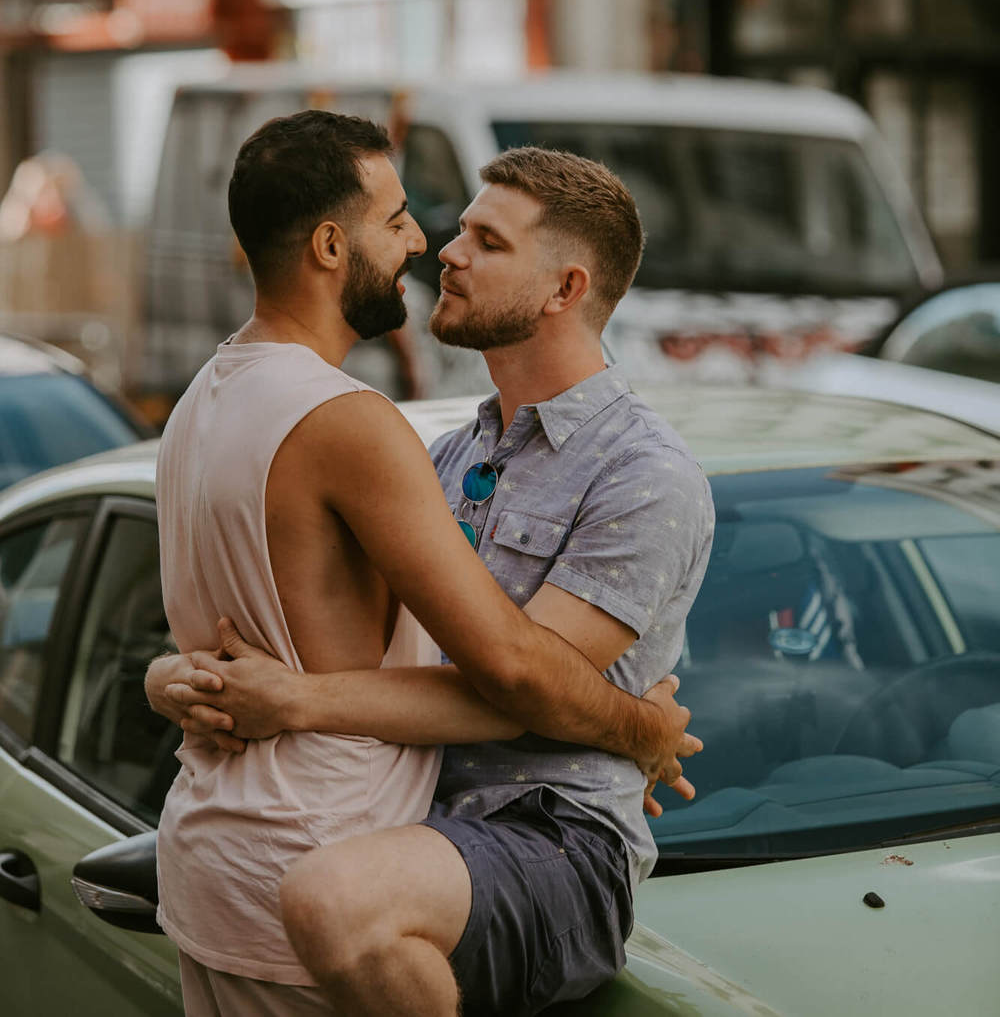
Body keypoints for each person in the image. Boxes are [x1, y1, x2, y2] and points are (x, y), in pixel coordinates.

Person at [149, 112, 702, 1017]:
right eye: (413, 219)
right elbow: (506, 669)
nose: (435, 247)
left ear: (565, 288)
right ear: (330, 244)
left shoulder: (643, 474)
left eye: (484, 239)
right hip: (357, 836)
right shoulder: (417, 447)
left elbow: (522, 677)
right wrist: (640, 727)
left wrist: (272, 693)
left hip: (530, 836)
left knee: (340, 904)